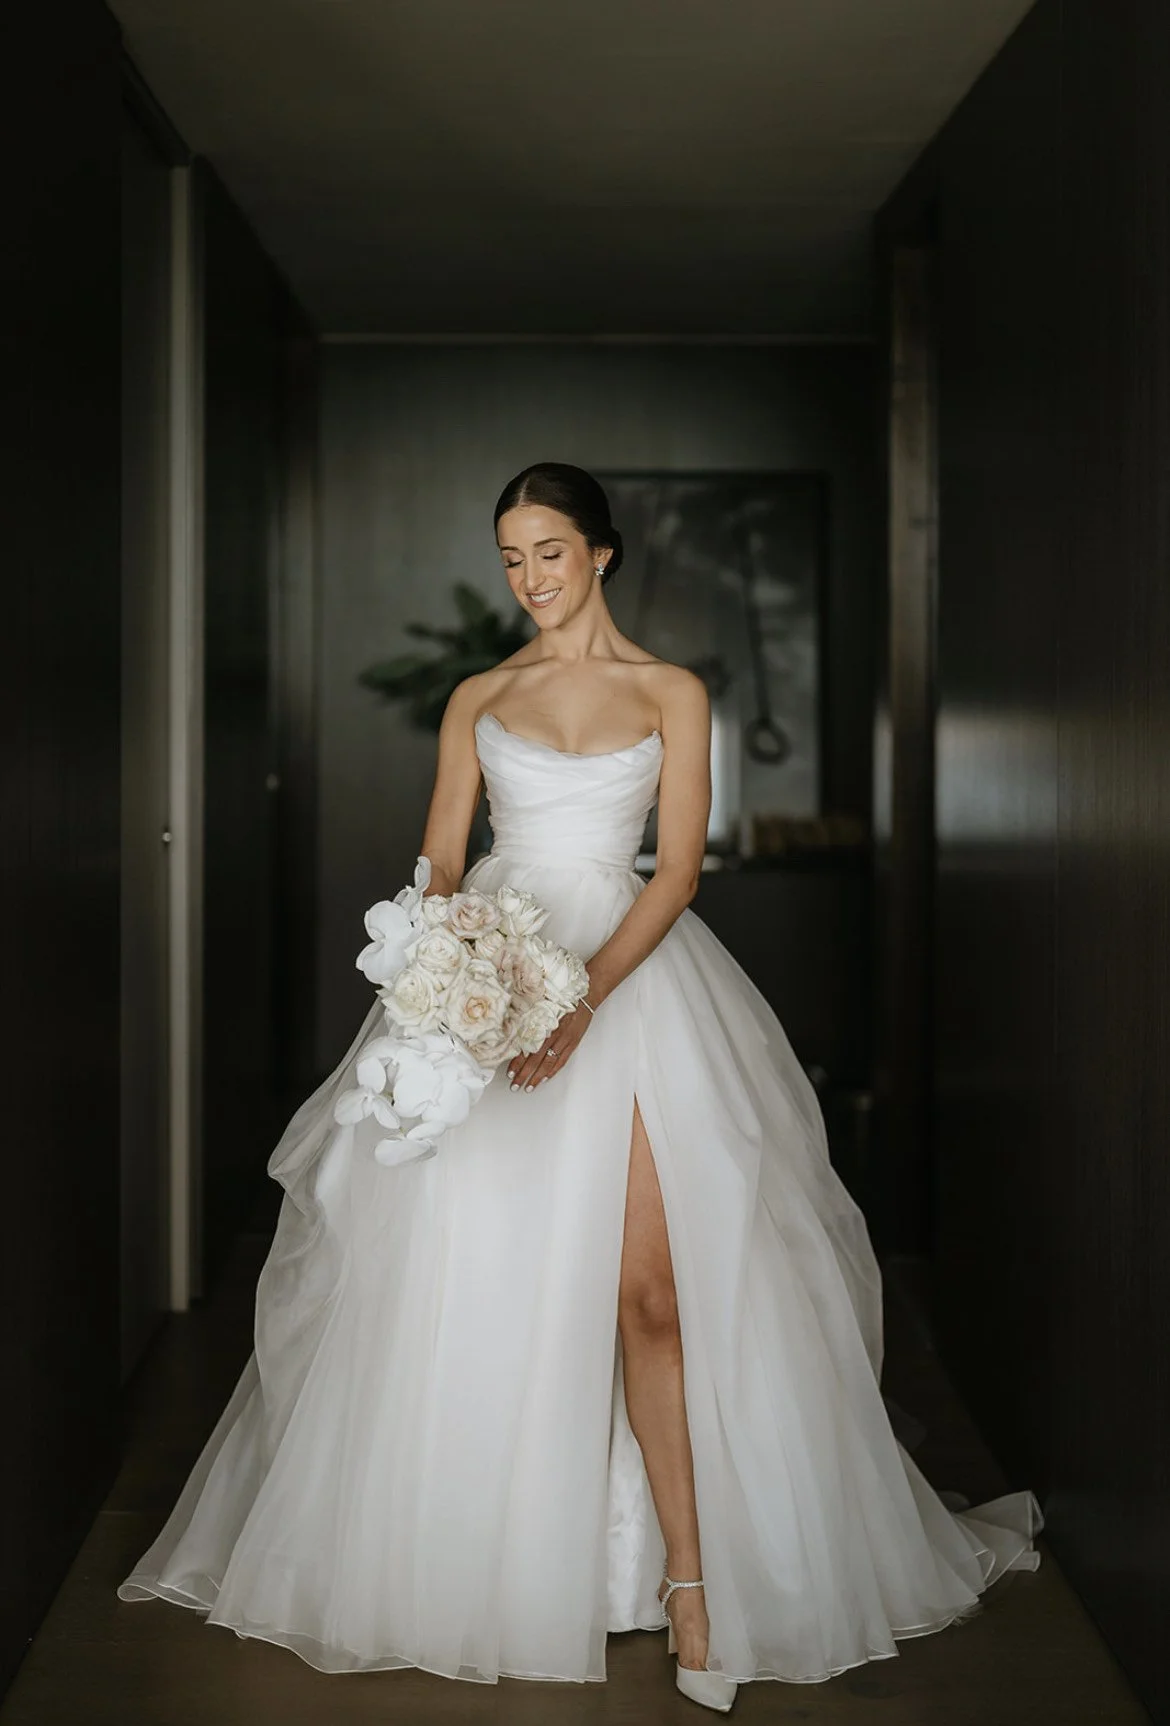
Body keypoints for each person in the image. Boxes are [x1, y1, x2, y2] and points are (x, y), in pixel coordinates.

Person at [118, 461, 1041, 1712]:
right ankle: (494, 1569)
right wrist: (439, 976)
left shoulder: (672, 689)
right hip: (493, 978)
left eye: (549, 551)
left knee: (652, 1293)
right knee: (485, 1282)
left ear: (600, 553)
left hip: (630, 983)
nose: (529, 578)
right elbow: (444, 856)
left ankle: (696, 1591)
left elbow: (678, 873)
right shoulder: (480, 696)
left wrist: (581, 1000)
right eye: (510, 557)